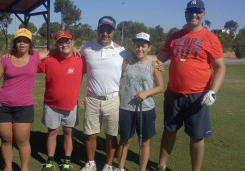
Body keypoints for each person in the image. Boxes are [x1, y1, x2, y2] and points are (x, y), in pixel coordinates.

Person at [156, 0, 226, 171]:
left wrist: (213, 91)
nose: (193, 15)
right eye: (190, 11)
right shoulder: (175, 36)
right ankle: (161, 165)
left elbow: (220, 66)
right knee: (169, 130)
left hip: (198, 96)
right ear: (185, 13)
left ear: (203, 14)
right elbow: (160, 58)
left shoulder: (210, 38)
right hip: (174, 94)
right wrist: (133, 57)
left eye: (197, 11)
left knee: (197, 136)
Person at [0, 28, 52, 171]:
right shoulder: (6, 59)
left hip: (24, 106)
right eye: (19, 41)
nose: (22, 44)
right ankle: (8, 167)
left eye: (25, 41)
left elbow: (56, 50)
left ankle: (24, 168)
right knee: (6, 140)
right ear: (15, 43)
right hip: (2, 105)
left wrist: (75, 49)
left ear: (30, 43)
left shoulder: (35, 57)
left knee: (22, 141)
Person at [79, 16, 129, 171]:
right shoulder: (86, 48)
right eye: (102, 29)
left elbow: (142, 59)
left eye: (109, 30)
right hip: (92, 99)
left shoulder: (122, 52)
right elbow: (71, 54)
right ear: (98, 30)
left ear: (113, 32)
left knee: (111, 136)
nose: (105, 33)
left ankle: (108, 165)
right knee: (90, 134)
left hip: (113, 99)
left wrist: (159, 62)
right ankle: (91, 163)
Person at [115, 32, 163, 171]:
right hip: (126, 108)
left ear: (149, 47)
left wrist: (146, 93)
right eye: (137, 46)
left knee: (144, 141)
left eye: (143, 46)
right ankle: (120, 168)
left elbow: (160, 87)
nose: (140, 49)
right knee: (125, 140)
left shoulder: (153, 65)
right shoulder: (127, 62)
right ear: (133, 46)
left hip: (146, 108)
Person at [38, 30, 84, 171]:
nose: (64, 44)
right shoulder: (49, 60)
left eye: (67, 41)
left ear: (73, 42)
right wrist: (49, 52)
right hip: (51, 105)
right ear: (56, 45)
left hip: (71, 105)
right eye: (60, 42)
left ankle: (67, 161)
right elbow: (30, 61)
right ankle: (50, 161)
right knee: (52, 132)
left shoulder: (81, 60)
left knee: (69, 132)